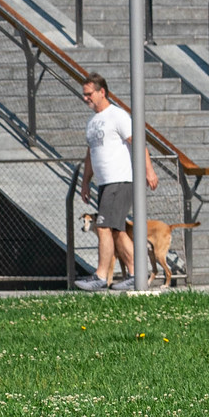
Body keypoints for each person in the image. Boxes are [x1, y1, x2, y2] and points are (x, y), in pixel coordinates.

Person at [76, 73, 157, 292]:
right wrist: (85, 182)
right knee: (115, 230)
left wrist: (149, 170)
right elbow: (90, 153)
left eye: (89, 94)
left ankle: (100, 276)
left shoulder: (117, 116)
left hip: (120, 180)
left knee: (102, 226)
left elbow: (138, 142)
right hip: (105, 183)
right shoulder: (92, 122)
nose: (85, 98)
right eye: (83, 95)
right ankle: (135, 273)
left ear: (102, 92)